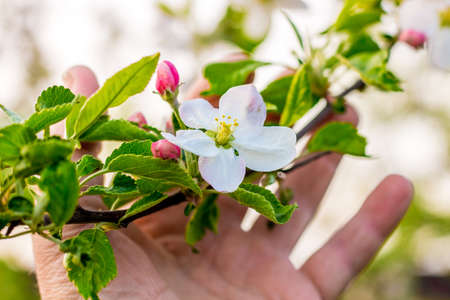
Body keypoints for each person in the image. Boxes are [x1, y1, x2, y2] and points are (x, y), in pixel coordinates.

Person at [32, 60, 413, 300]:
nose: (225, 128)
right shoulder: (196, 129)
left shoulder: (225, 144)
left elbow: (244, 148)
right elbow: (184, 138)